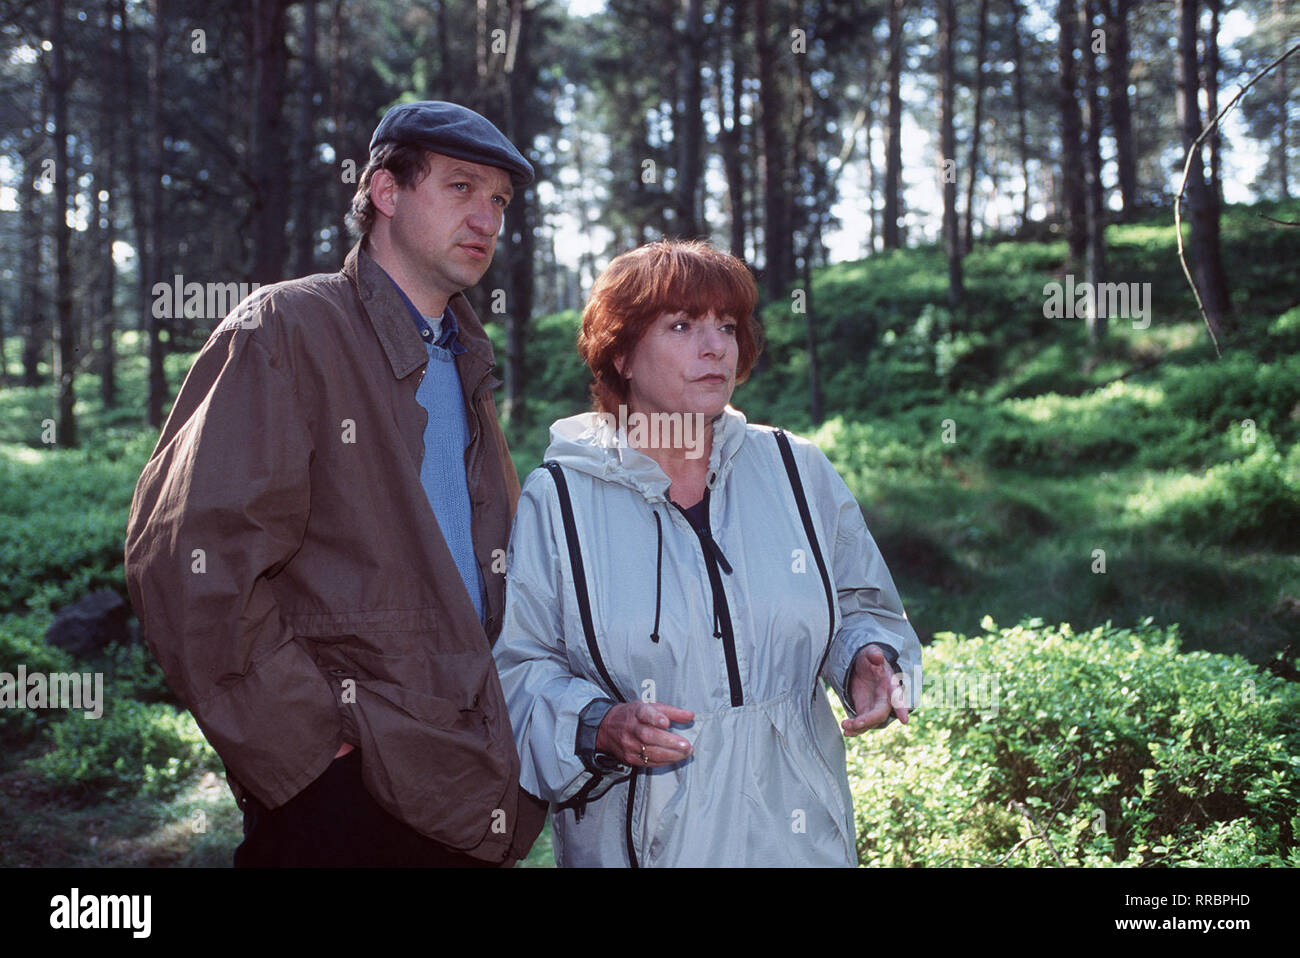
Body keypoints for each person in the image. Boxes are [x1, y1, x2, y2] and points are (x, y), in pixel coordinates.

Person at [124, 100, 545, 867]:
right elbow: (189, 560)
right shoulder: (286, 328)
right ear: (385, 192)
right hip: (343, 800)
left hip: (465, 779)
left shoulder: (468, 361)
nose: (486, 217)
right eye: (460, 188)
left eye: (499, 201)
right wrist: (310, 760)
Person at [493, 240, 923, 867]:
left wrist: (863, 657)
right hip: (644, 848)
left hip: (803, 844)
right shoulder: (559, 498)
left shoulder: (796, 469)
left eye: (727, 326)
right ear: (621, 353)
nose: (716, 345)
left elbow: (863, 606)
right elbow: (518, 674)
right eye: (682, 326)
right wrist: (597, 725)